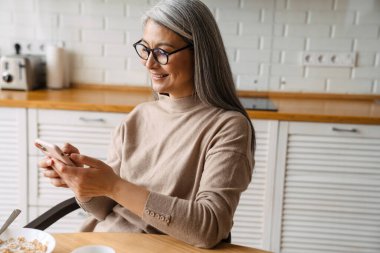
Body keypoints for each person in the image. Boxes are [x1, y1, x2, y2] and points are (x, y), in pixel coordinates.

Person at [39, 0, 255, 248]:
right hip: (104, 241)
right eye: (145, 49)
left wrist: (114, 185)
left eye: (162, 52)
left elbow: (209, 227)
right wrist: (81, 181)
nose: (149, 63)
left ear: (200, 53)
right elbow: (106, 209)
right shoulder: (137, 117)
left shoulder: (227, 127)